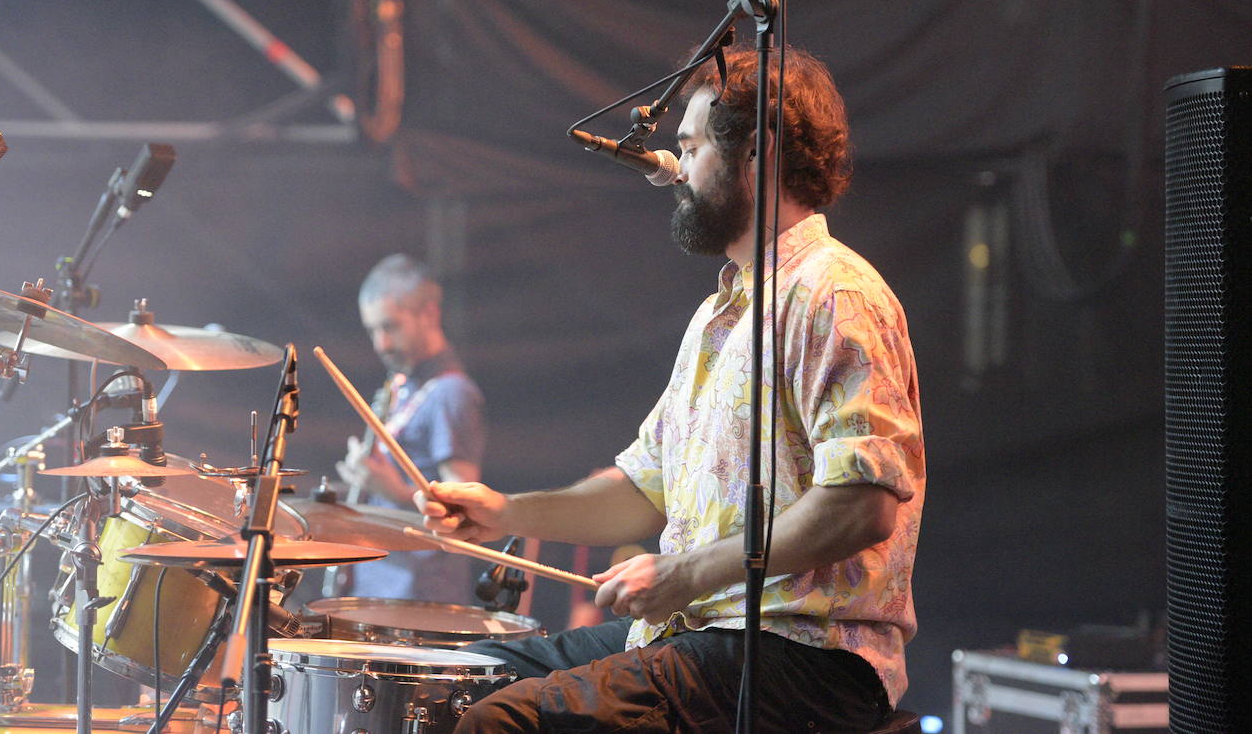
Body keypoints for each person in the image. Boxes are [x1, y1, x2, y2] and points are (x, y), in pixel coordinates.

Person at [417, 45, 925, 733]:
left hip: (803, 657)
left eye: (690, 147)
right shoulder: (720, 313)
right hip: (703, 637)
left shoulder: (833, 293)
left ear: (758, 153)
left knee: (503, 722)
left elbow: (861, 506)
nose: (674, 170)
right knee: (459, 674)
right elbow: (641, 489)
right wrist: (505, 512)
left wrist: (685, 574)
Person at [334, 254, 487, 603]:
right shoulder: (401, 384)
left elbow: (465, 511)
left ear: (429, 314)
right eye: (372, 330)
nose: (380, 344)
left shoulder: (452, 393)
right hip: (378, 581)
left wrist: (394, 491)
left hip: (420, 594)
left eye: (390, 327)